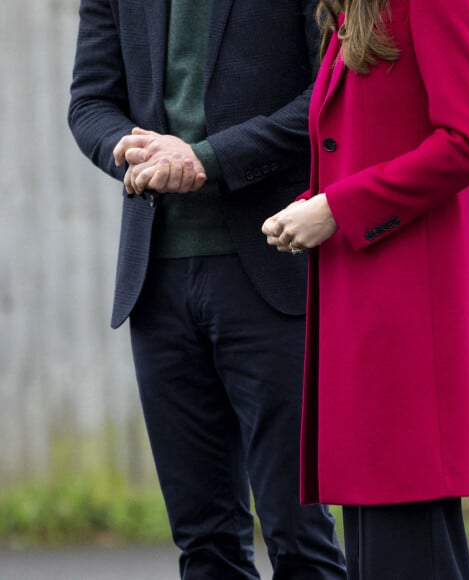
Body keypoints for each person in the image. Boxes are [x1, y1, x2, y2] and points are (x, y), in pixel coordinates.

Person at [68, 1, 347, 579]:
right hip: (156, 282)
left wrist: (208, 158)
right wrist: (127, 146)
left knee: (300, 537)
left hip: (274, 268)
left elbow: (330, 96)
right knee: (204, 544)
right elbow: (90, 102)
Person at [262, 0, 469, 577]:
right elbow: (368, 142)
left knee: (405, 553)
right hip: (369, 321)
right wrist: (314, 206)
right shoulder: (358, 10)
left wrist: (340, 209)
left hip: (411, 330)